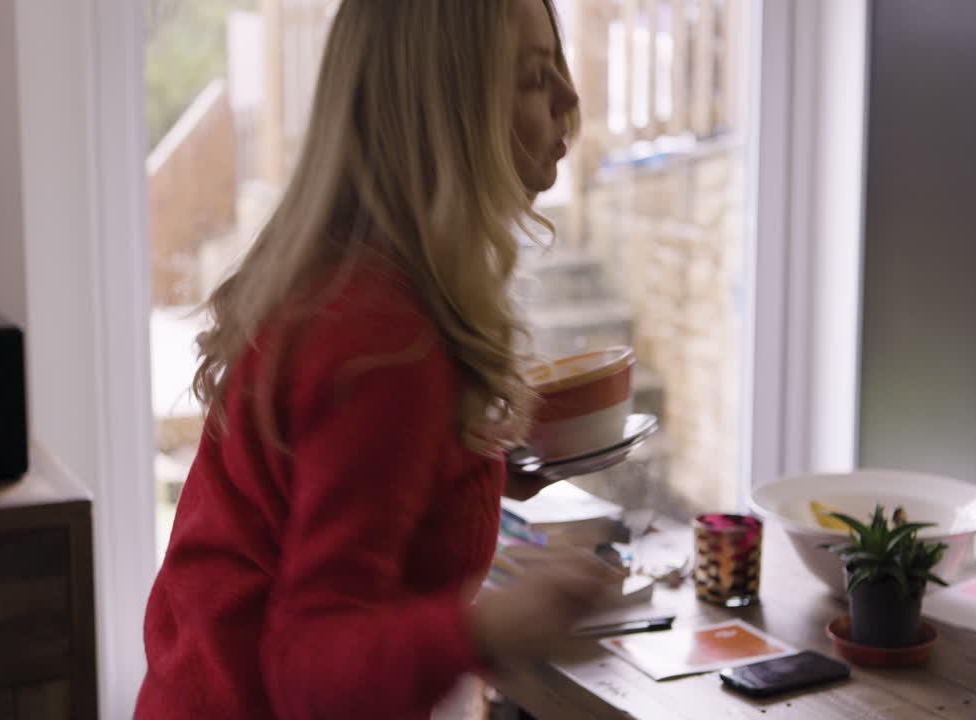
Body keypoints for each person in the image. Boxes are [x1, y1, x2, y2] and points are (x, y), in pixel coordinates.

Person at [135, 1, 621, 718]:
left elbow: (334, 489)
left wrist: (473, 468)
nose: (570, 99)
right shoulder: (381, 340)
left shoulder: (348, 283)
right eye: (533, 77)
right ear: (448, 114)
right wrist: (498, 625)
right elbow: (311, 670)